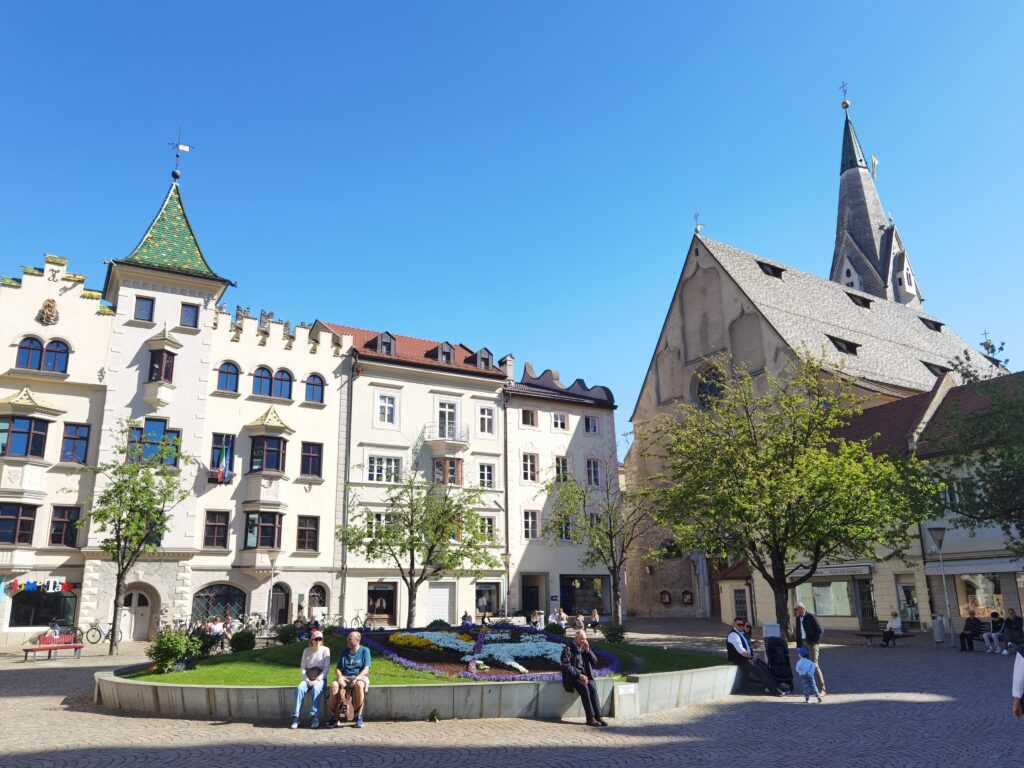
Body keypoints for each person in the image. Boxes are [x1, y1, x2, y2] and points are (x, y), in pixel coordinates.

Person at [726, 617, 785, 697]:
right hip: (741, 660)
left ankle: (776, 685)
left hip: (747, 658)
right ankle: (774, 691)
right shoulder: (733, 635)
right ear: (734, 624)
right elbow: (741, 650)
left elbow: (746, 643)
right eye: (739, 624)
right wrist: (750, 657)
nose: (741, 626)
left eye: (742, 625)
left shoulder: (741, 633)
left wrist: (753, 644)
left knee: (765, 668)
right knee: (760, 671)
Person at [561, 630, 608, 726]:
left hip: (585, 677)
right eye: (582, 639)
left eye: (585, 639)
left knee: (592, 686)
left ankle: (598, 716)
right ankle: (590, 718)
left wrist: (588, 650)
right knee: (584, 688)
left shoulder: (584, 649)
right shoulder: (568, 649)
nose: (584, 641)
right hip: (573, 677)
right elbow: (566, 666)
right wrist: (579, 675)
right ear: (576, 638)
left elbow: (595, 662)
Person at [329, 630, 371, 729]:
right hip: (345, 676)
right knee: (334, 685)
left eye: (350, 639)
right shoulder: (344, 651)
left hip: (359, 676)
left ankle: (359, 717)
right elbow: (338, 668)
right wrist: (339, 677)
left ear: (358, 640)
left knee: (359, 685)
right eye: (347, 638)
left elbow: (366, 669)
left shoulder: (365, 650)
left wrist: (356, 678)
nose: (347, 640)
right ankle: (335, 717)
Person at [290, 630, 330, 729]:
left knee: (316, 689)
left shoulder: (325, 650)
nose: (318, 641)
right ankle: (296, 717)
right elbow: (303, 668)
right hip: (308, 677)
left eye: (320, 639)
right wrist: (307, 680)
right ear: (311, 640)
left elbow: (326, 668)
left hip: (320, 678)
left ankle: (314, 717)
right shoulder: (306, 651)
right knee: (299, 689)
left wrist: (317, 680)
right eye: (316, 639)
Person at [794, 602, 825, 695]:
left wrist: (814, 641)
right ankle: (812, 688)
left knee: (814, 665)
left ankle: (822, 689)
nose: (795, 611)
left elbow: (820, 630)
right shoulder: (798, 619)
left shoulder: (811, 616)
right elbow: (798, 633)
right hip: (802, 644)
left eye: (796, 609)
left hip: (811, 643)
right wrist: (799, 647)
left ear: (801, 608)